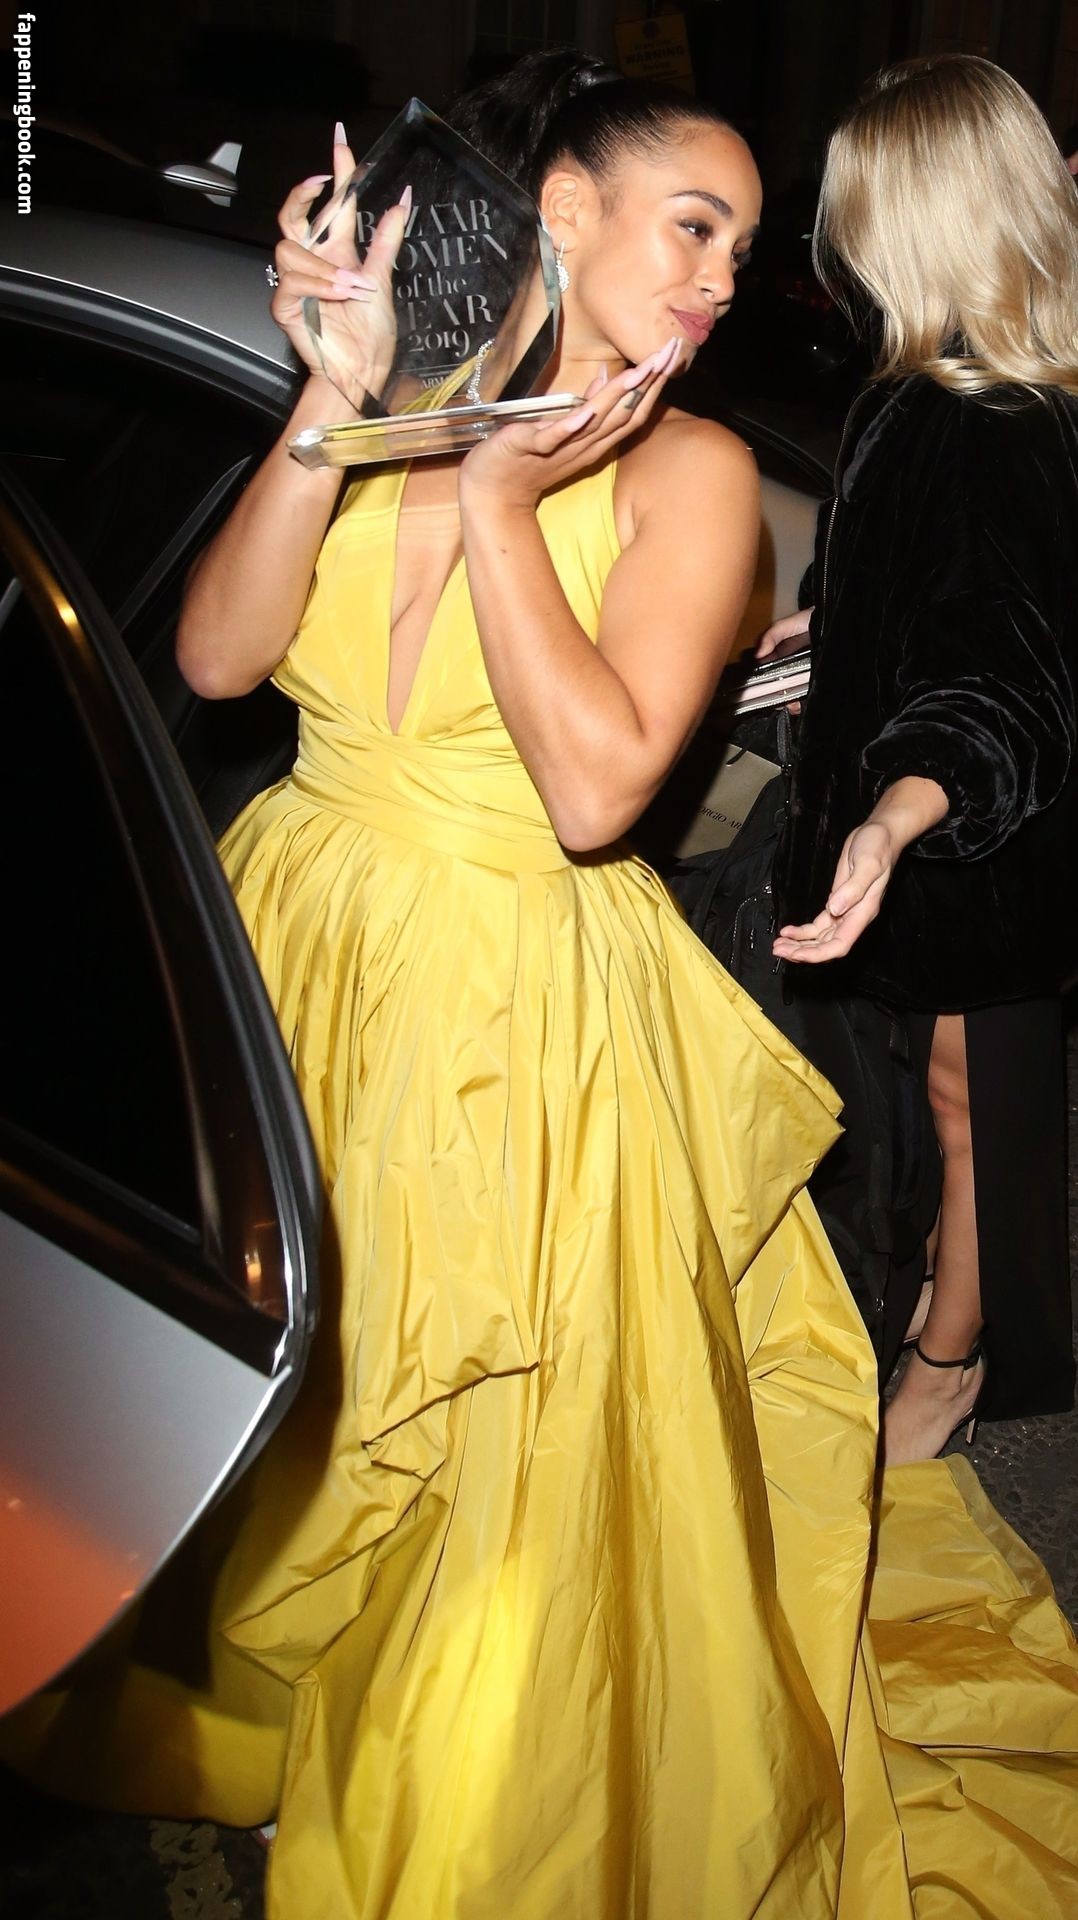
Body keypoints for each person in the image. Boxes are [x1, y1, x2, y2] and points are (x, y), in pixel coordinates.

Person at [3, 50, 1077, 1920]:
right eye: (695, 228)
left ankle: (464, 1778)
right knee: (293, 1398)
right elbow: (223, 656)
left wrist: (500, 507)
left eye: (743, 247)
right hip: (299, 947)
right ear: (562, 210)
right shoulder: (401, 402)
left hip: (519, 1014)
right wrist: (328, 404)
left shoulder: (693, 474)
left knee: (498, 1464)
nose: (723, 281)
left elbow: (594, 794)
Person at [763, 54, 1078, 1463]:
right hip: (963, 828)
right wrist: (837, 618)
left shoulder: (982, 416)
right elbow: (952, 589)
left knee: (972, 1106)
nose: (836, 241)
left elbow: (994, 677)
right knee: (964, 1097)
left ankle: (952, 1361)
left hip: (981, 836)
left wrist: (892, 818)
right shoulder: (949, 386)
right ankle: (959, 1303)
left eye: (858, 209)